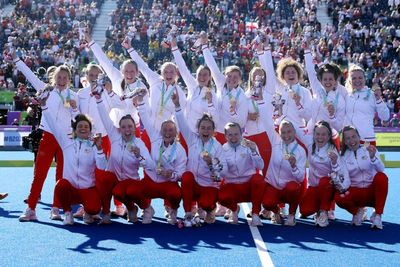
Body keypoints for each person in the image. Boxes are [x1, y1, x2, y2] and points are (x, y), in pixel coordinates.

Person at [16, 59, 79, 222]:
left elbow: (77, 119)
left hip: (65, 140)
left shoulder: (73, 96)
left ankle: (56, 208)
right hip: (48, 136)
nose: (62, 80)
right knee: (40, 174)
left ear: (69, 80)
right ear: (53, 78)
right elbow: (30, 75)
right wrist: (17, 60)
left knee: (62, 176)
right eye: (59, 77)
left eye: (65, 78)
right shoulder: (46, 90)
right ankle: (31, 208)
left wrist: (74, 108)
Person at [40, 96, 106, 225]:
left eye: (86, 127)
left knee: (94, 208)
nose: (83, 128)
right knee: (61, 185)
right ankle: (68, 213)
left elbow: (102, 166)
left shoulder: (93, 146)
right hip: (71, 190)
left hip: (87, 188)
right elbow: (53, 124)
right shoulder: (66, 143)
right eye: (80, 126)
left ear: (90, 130)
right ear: (75, 129)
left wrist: (99, 149)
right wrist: (44, 106)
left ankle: (87, 211)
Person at [94, 91, 155, 224]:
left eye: (130, 126)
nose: (127, 129)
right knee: (104, 178)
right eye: (123, 127)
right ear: (119, 129)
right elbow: (105, 118)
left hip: (130, 181)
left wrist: (139, 156)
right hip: (115, 178)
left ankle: (145, 208)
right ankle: (106, 213)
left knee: (124, 191)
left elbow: (150, 165)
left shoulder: (139, 143)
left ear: (135, 128)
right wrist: (99, 100)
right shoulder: (115, 136)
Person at [172, 89, 226, 227]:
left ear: (214, 131)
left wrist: (211, 164)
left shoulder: (218, 146)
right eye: (203, 128)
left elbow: (222, 172)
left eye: (209, 128)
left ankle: (209, 209)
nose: (205, 131)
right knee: (186, 176)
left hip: (209, 185)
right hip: (193, 185)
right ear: (198, 129)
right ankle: (188, 212)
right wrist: (177, 105)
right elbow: (182, 123)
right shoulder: (192, 139)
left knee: (206, 204)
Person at [124, 36, 187, 150]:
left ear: (176, 74)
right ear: (161, 73)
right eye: (165, 72)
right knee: (146, 160)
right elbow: (142, 66)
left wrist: (175, 133)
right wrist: (130, 49)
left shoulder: (180, 93)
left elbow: (180, 116)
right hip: (148, 128)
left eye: (171, 72)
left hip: (165, 133)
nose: (168, 75)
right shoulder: (155, 80)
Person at [134, 92, 187, 224]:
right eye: (165, 130)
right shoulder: (155, 138)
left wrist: (172, 175)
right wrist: (141, 101)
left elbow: (180, 173)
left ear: (176, 133)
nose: (167, 133)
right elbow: (145, 118)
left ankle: (171, 209)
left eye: (171, 130)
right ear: (160, 131)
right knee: (133, 190)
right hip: (151, 180)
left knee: (176, 194)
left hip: (168, 183)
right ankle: (147, 208)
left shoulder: (180, 150)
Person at [257, 97, 306, 226]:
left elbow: (300, 178)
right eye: (282, 132)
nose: (286, 135)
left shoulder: (300, 151)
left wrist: (294, 166)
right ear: (278, 133)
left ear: (294, 132)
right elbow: (267, 121)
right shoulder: (275, 141)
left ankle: (291, 215)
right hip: (274, 186)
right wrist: (260, 99)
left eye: (289, 131)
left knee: (293, 187)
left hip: (289, 189)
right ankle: (276, 211)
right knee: (267, 203)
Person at [335, 126, 388, 229]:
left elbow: (381, 169)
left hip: (372, 192)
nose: (352, 141)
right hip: (356, 193)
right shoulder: (343, 157)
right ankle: (357, 212)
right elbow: (346, 181)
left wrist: (373, 157)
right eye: (348, 138)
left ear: (359, 137)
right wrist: (340, 185)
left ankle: (378, 215)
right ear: (344, 142)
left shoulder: (369, 149)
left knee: (381, 177)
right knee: (339, 197)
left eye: (354, 136)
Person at [298, 121, 350, 227]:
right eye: (317, 134)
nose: (320, 137)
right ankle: (319, 207)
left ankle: (324, 212)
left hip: (328, 186)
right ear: (313, 134)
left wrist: (335, 163)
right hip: (313, 187)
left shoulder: (332, 150)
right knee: (304, 210)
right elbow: (296, 130)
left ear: (329, 136)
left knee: (324, 181)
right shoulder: (309, 142)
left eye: (323, 134)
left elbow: (339, 172)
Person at [200, 34, 248, 144]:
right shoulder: (221, 84)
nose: (232, 79)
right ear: (224, 76)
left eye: (235, 77)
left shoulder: (241, 96)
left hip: (230, 135)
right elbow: (212, 66)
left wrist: (233, 111)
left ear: (240, 79)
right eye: (229, 76)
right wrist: (204, 46)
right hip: (215, 131)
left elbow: (242, 121)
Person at [218, 122, 265, 226]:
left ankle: (256, 214)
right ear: (225, 136)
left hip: (248, 186)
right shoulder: (222, 149)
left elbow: (260, 166)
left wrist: (253, 151)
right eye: (230, 135)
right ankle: (234, 210)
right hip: (232, 185)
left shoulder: (250, 145)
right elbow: (222, 173)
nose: (233, 137)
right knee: (220, 194)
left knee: (259, 179)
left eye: (236, 134)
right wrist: (217, 167)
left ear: (241, 134)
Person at [170, 37, 218, 134]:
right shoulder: (193, 86)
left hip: (198, 136)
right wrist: (174, 48)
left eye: (205, 75)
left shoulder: (212, 94)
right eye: (199, 74)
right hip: (183, 131)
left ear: (210, 77)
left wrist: (210, 102)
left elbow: (215, 118)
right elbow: (183, 69)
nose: (202, 77)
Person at [304, 45, 346, 148]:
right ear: (321, 80)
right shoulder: (317, 90)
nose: (328, 82)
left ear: (335, 81)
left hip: (329, 138)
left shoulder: (340, 99)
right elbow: (310, 70)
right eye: (325, 79)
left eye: (330, 79)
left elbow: (339, 126)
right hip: (311, 133)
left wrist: (332, 116)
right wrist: (307, 49)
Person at [343, 65, 390, 146]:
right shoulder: (346, 95)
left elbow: (385, 117)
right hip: (348, 140)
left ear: (365, 79)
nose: (357, 80)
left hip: (366, 139)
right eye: (354, 78)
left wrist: (379, 99)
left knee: (368, 158)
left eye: (360, 78)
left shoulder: (372, 95)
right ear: (349, 81)